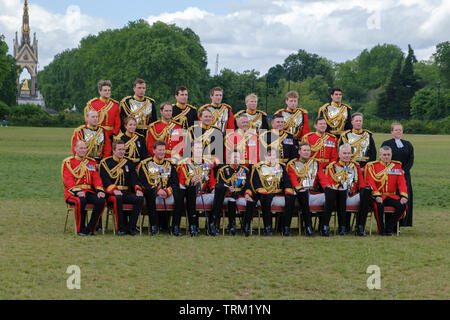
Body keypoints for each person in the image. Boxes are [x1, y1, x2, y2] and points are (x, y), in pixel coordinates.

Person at [318, 144, 371, 236]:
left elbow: (361, 183)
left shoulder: (355, 166)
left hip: (352, 195)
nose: (347, 155)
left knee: (366, 192)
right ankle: (341, 227)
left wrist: (364, 190)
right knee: (340, 192)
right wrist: (338, 186)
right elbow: (330, 183)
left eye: (348, 153)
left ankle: (360, 226)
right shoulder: (332, 167)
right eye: (344, 153)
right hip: (337, 196)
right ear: (339, 155)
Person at [99, 140, 144, 236]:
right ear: (113, 150)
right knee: (118, 198)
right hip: (111, 193)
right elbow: (105, 181)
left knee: (139, 199)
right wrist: (114, 190)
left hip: (125, 192)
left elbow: (134, 179)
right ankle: (121, 228)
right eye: (119, 149)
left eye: (123, 149)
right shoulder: (106, 163)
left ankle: (131, 227)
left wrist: (138, 189)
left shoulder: (128, 163)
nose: (121, 151)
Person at [138, 141, 182, 236]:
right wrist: (157, 190)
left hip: (166, 194)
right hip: (152, 193)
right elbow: (144, 182)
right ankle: (153, 226)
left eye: (163, 150)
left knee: (179, 193)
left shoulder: (169, 164)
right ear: (154, 151)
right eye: (159, 150)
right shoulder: (145, 164)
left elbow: (174, 182)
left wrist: (167, 191)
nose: (162, 152)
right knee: (150, 191)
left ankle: (175, 227)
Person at [62, 141, 106, 236]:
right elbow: (68, 179)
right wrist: (77, 191)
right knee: (80, 200)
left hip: (88, 191)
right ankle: (80, 229)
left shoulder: (91, 162)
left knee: (101, 201)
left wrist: (99, 190)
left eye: (85, 148)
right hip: (73, 192)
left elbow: (96, 178)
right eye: (81, 148)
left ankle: (90, 228)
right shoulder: (69, 162)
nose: (83, 150)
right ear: (75, 149)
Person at [251, 148, 295, 236]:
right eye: (269, 155)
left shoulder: (281, 166)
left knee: (290, 197)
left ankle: (286, 227)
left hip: (278, 191)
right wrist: (263, 191)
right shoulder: (258, 167)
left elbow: (287, 181)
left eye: (274, 155)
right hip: (265, 192)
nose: (272, 157)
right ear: (265, 156)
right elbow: (256, 182)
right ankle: (268, 227)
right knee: (266, 198)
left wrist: (288, 190)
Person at [365, 146, 408, 236]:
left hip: (391, 195)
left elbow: (402, 182)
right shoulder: (373, 166)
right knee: (378, 206)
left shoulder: (396, 166)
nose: (386, 157)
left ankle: (389, 227)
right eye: (384, 155)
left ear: (391, 155)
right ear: (380, 155)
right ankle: (381, 229)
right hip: (378, 195)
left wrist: (404, 196)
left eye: (388, 155)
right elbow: (370, 182)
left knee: (403, 206)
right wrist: (376, 195)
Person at [177, 140, 217, 236]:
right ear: (192, 149)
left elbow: (212, 182)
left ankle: (211, 225)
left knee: (218, 194)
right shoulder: (185, 165)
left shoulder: (207, 165)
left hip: (203, 194)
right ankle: (193, 226)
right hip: (189, 195)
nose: (199, 150)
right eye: (196, 148)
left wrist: (213, 189)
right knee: (191, 191)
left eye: (200, 148)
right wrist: (191, 181)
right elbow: (181, 183)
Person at [211, 149, 254, 236]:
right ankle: (232, 226)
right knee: (232, 201)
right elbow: (220, 187)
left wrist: (247, 194)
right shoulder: (223, 170)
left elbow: (247, 186)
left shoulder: (243, 170)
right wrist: (227, 190)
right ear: (229, 158)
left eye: (237, 157)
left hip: (241, 195)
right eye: (234, 157)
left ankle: (246, 227)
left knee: (250, 201)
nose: (236, 159)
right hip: (227, 195)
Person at [287, 142, 324, 237]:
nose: (307, 152)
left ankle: (323, 226)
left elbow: (322, 178)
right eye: (304, 150)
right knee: (303, 194)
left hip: (312, 191)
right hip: (298, 191)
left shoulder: (316, 163)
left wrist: (328, 187)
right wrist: (299, 188)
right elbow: (293, 179)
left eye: (308, 150)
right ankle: (308, 226)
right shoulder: (293, 164)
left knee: (329, 194)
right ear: (299, 152)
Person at [381, 123, 414, 227]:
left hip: (404, 175)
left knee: (404, 196)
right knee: (392, 197)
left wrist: (403, 171)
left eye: (400, 130)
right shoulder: (386, 143)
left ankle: (404, 222)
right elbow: (383, 158)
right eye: (396, 130)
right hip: (390, 175)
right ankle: (391, 223)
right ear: (391, 132)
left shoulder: (408, 144)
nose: (398, 132)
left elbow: (411, 159)